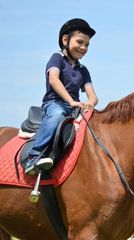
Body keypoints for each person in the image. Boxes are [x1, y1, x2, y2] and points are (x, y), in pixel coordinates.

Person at [25, 18, 98, 175]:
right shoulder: (57, 58)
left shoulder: (83, 70)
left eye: (87, 45)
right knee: (56, 115)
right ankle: (34, 156)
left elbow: (93, 96)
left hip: (75, 107)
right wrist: (72, 101)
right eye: (80, 42)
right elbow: (54, 79)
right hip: (55, 103)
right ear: (65, 39)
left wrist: (89, 104)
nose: (83, 47)